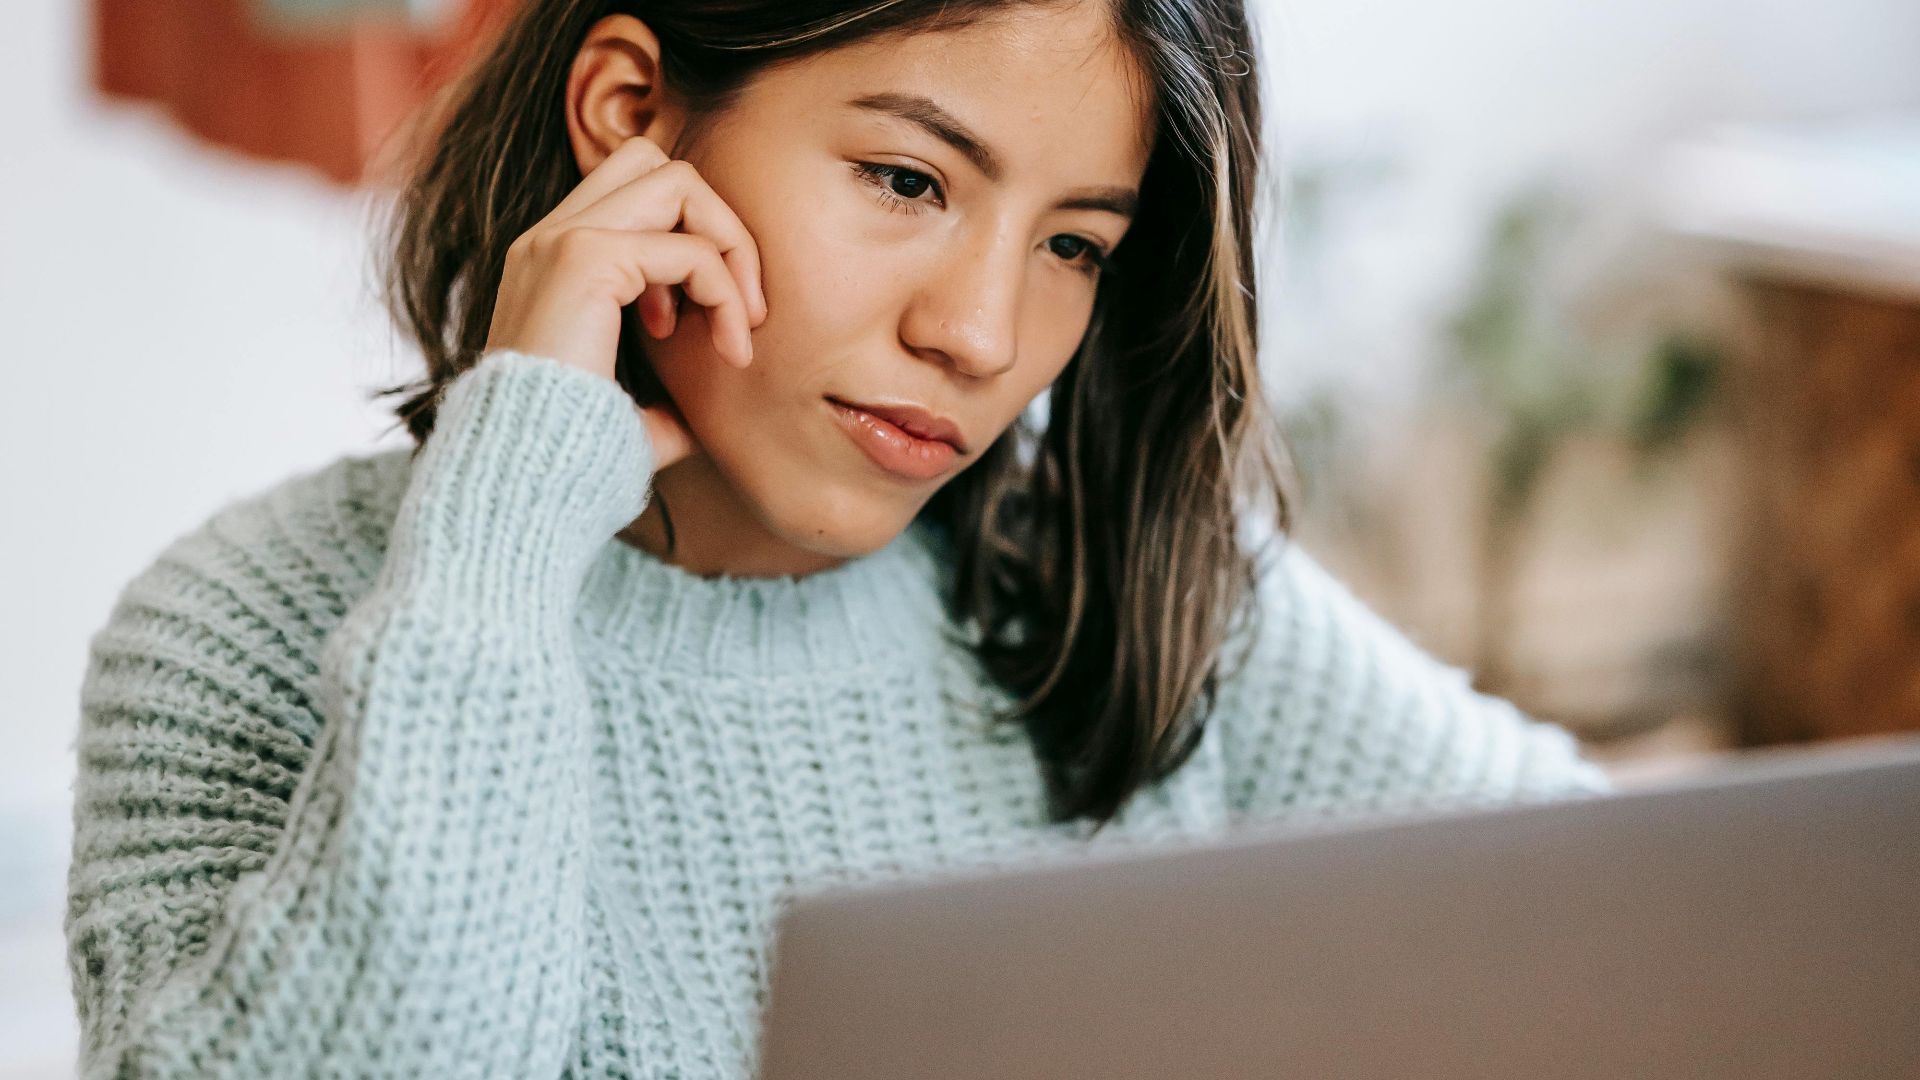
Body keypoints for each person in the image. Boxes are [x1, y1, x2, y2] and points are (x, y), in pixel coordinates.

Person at [63, 0, 1615, 1075]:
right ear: (630, 117)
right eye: (905, 178)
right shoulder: (245, 629)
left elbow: (1641, 928)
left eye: (1075, 244)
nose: (983, 332)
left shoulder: (1140, 610)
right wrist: (506, 522)